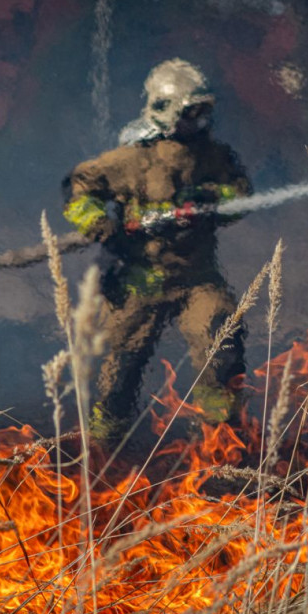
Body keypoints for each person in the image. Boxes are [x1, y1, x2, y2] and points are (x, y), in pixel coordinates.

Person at [63, 58, 253, 440]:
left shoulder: (214, 156)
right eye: (190, 112)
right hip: (141, 278)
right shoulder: (132, 159)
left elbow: (241, 194)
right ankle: (105, 440)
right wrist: (101, 224)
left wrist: (209, 198)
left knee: (220, 336)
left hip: (197, 275)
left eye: (202, 111)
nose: (198, 121)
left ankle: (220, 436)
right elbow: (78, 187)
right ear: (165, 110)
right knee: (122, 362)